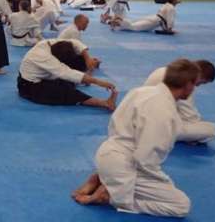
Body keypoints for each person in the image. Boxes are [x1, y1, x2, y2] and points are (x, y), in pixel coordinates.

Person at [73, 59, 199, 218]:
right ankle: (110, 197)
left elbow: (113, 124)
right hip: (126, 166)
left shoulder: (141, 91)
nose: (194, 89)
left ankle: (103, 178)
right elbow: (145, 158)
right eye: (195, 85)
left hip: (106, 153)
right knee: (181, 205)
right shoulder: (164, 111)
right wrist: (163, 181)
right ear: (188, 84)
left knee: (139, 177)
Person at [17, 39, 117, 111]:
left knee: (79, 60)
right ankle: (105, 103)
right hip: (29, 86)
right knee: (65, 91)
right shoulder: (43, 56)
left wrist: (88, 59)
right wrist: (98, 82)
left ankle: (82, 79)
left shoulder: (51, 43)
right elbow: (67, 73)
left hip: (47, 76)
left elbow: (75, 42)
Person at [142, 60, 215, 144]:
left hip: (142, 117)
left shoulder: (163, 70)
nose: (198, 85)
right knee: (212, 130)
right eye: (202, 82)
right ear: (199, 75)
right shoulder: (185, 83)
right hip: (155, 128)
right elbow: (190, 117)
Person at [112, 0, 180, 34]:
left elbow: (165, 19)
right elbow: (170, 19)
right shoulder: (171, 8)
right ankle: (119, 21)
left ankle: (120, 21)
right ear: (173, 0)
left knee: (135, 24)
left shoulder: (167, 5)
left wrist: (166, 29)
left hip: (153, 18)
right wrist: (169, 29)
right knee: (135, 28)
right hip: (154, 21)